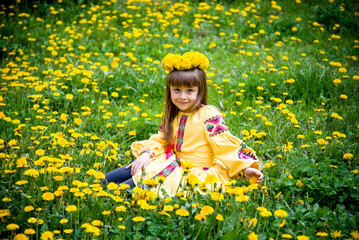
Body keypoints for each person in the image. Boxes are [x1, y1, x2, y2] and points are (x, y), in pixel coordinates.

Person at [105, 52, 263, 196]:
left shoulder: (208, 115)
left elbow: (225, 146)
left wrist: (244, 170)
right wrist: (146, 153)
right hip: (169, 161)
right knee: (106, 180)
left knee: (119, 192)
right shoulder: (173, 113)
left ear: (199, 91)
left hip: (195, 173)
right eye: (177, 90)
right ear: (170, 90)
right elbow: (162, 139)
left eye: (189, 91)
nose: (182, 97)